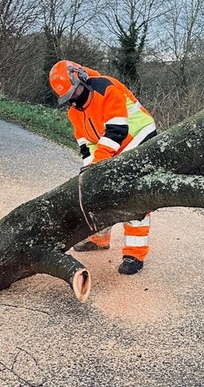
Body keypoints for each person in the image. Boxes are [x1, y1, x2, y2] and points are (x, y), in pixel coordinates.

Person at [48, 59, 158, 275]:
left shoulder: (106, 88)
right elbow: (86, 144)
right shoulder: (74, 112)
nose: (74, 98)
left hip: (139, 138)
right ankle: (99, 238)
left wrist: (99, 162)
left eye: (75, 92)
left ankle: (134, 254)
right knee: (99, 192)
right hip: (112, 145)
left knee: (134, 199)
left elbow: (117, 129)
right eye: (69, 97)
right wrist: (91, 168)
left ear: (79, 76)